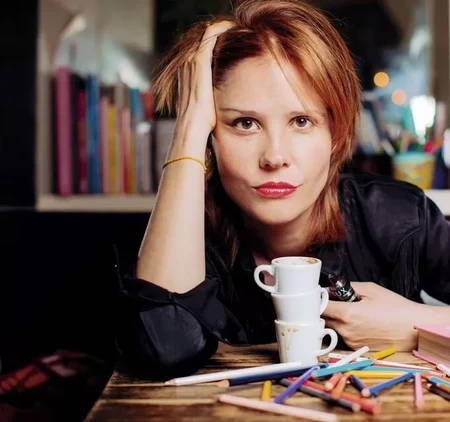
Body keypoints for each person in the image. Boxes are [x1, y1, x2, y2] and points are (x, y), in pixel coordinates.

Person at [117, 0, 450, 379]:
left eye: (302, 121)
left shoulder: (399, 217)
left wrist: (416, 323)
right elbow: (164, 349)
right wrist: (189, 126)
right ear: (211, 134)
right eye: (245, 123)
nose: (275, 157)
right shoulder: (185, 231)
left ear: (335, 133)